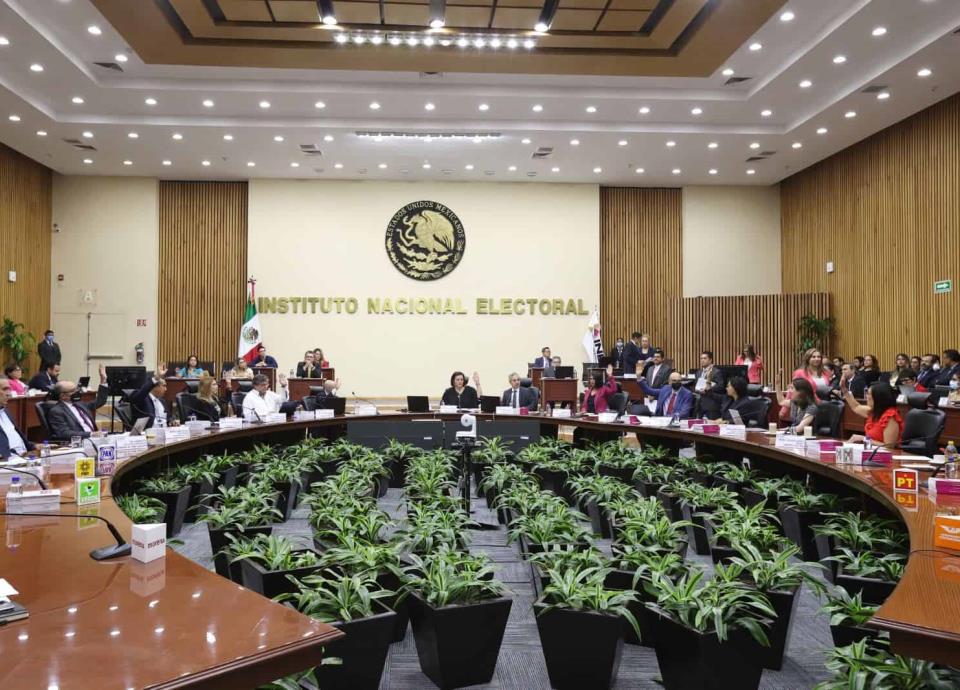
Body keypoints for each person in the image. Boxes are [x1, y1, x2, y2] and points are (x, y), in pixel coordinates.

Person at [46, 366, 110, 442]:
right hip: (80, 442)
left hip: (95, 439)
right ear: (63, 396)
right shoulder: (57, 411)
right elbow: (64, 433)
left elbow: (100, 401)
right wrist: (91, 434)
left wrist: (103, 379)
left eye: (76, 389)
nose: (77, 392)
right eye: (72, 391)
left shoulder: (80, 404)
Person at [842, 380, 902, 446]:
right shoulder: (874, 411)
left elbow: (889, 446)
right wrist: (844, 390)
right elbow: (856, 407)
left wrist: (863, 439)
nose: (866, 396)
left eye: (868, 394)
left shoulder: (891, 417)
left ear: (878, 397)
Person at [128, 363, 170, 428]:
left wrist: (172, 421)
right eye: (163, 386)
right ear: (154, 387)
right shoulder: (142, 399)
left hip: (164, 431)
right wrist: (156, 378)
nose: (166, 389)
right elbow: (142, 392)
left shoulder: (162, 401)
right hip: (148, 432)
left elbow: (168, 418)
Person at [0, 376, 33, 458]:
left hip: (24, 455)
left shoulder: (5, 411)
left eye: (9, 389)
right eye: (4, 389)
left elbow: (17, 437)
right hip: (8, 460)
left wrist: (33, 446)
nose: (9, 394)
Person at [694, 351, 725, 418]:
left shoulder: (716, 372)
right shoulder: (698, 372)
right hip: (700, 404)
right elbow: (696, 385)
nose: (702, 360)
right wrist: (697, 389)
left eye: (705, 358)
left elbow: (720, 386)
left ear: (710, 360)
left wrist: (709, 388)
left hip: (711, 404)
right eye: (701, 358)